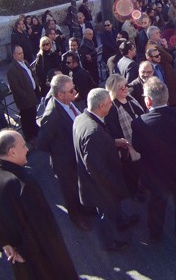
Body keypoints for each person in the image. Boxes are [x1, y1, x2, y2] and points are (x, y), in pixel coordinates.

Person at [0, 130, 78, 280]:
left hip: (18, 261)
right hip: (43, 260)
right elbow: (40, 227)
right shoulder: (22, 182)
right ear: (12, 152)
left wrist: (3, 243)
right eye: (23, 146)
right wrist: (23, 252)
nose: (27, 149)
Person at [132, 77, 176, 247]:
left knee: (157, 204)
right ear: (167, 96)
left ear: (148, 100)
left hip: (157, 176)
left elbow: (138, 148)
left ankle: (155, 234)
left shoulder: (140, 123)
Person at [73, 88, 138, 251]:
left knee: (112, 208)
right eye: (109, 103)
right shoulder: (93, 132)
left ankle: (121, 221)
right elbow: (96, 167)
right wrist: (114, 184)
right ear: (101, 106)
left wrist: (113, 142)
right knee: (105, 214)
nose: (111, 106)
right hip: (100, 186)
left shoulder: (81, 118)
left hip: (99, 182)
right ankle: (109, 242)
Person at [36, 74, 93, 231]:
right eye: (71, 90)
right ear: (60, 94)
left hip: (76, 156)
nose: (75, 91)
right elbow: (41, 143)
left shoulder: (68, 103)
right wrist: (60, 151)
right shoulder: (52, 114)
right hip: (65, 163)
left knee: (80, 185)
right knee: (70, 191)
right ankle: (76, 217)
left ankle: (85, 208)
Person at [104, 74, 146, 201]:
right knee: (130, 171)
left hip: (141, 140)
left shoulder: (131, 98)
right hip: (127, 146)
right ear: (113, 90)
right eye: (120, 88)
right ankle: (135, 192)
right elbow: (114, 130)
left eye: (126, 86)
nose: (125, 89)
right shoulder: (112, 108)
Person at [6, 45, 40, 143]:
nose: (21, 55)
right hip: (24, 100)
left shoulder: (25, 62)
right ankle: (29, 138)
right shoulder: (12, 69)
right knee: (26, 119)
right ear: (14, 55)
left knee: (33, 115)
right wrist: (25, 95)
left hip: (32, 95)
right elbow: (15, 87)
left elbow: (31, 75)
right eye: (19, 54)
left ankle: (35, 133)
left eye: (22, 53)